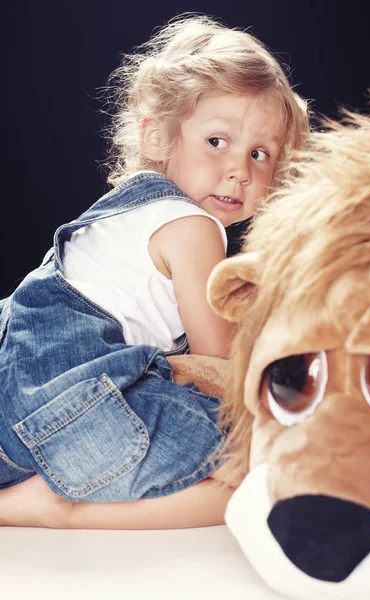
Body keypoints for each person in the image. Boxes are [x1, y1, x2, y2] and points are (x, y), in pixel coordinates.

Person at [0, 14, 308, 529]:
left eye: (260, 154)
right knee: (266, 455)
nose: (240, 169)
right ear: (158, 138)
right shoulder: (193, 227)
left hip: (13, 418)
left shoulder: (124, 211)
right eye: (217, 142)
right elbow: (220, 362)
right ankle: (61, 513)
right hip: (71, 421)